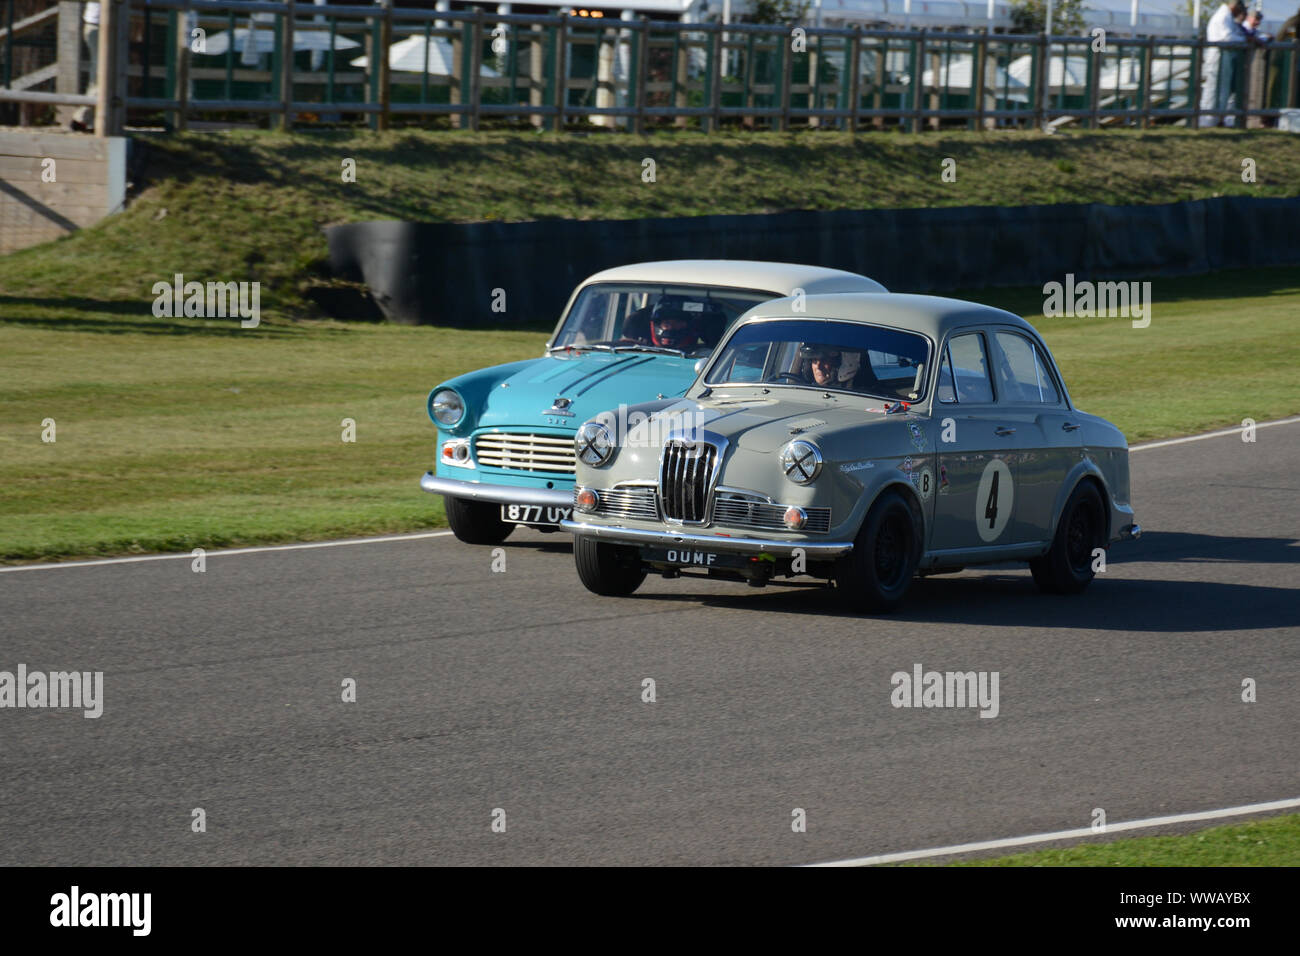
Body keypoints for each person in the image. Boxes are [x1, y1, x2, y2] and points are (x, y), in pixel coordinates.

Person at [1200, 1, 1250, 127]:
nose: (1240, 14)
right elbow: (1226, 37)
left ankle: (1217, 119)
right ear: (1234, 7)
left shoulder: (1227, 17)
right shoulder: (1223, 17)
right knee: (1213, 89)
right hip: (1218, 57)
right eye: (1239, 11)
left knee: (1223, 90)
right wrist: (1245, 40)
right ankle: (1207, 121)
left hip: (1224, 57)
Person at [71, 2, 100, 132]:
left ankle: (91, 121)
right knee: (101, 76)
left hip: (113, 24)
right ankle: (82, 117)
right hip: (97, 25)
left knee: (100, 76)